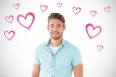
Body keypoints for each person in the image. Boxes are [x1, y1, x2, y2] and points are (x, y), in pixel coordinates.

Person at [31, 12, 83, 77]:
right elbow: (35, 73)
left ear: (64, 27)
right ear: (48, 27)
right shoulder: (39, 49)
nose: (55, 29)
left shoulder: (74, 50)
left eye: (58, 26)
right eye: (52, 26)